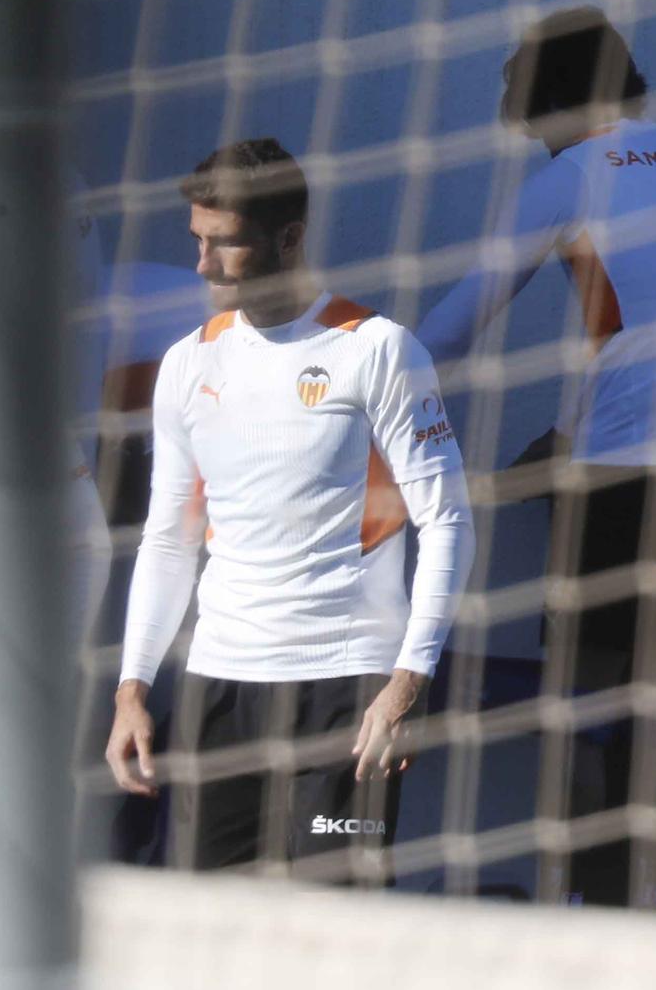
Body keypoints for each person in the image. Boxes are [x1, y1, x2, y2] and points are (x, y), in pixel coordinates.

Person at [416, 7, 656, 908]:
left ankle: (573, 919)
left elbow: (454, 325)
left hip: (620, 473)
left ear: (557, 101)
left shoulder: (573, 173)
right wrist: (572, 424)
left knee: (577, 703)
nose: (530, 139)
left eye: (529, 117)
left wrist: (357, 396)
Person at [103, 139, 475, 882]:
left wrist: (407, 683)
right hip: (221, 690)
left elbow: (449, 522)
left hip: (347, 691)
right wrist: (133, 687)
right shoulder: (188, 362)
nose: (203, 265)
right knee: (211, 935)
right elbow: (168, 540)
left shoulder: (375, 349)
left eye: (224, 244)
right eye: (197, 242)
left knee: (335, 942)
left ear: (290, 238)